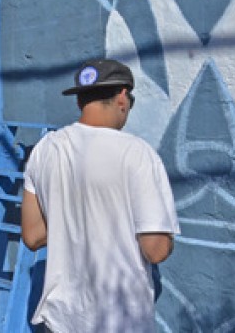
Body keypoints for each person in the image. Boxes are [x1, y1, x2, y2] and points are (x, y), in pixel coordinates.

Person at [20, 59, 181, 332]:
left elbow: (33, 236)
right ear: (121, 96)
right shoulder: (137, 154)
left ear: (79, 101)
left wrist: (75, 220)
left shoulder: (45, 149)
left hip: (61, 320)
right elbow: (155, 250)